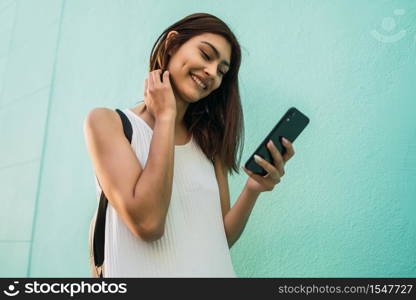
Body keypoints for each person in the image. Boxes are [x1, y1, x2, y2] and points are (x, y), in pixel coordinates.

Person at [83, 12, 295, 277]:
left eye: (222, 71)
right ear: (172, 44)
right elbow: (148, 223)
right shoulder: (108, 123)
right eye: (206, 55)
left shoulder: (209, 142)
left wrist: (253, 189)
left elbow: (219, 240)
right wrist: (166, 116)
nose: (212, 73)